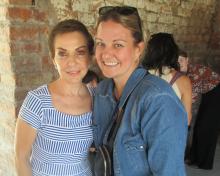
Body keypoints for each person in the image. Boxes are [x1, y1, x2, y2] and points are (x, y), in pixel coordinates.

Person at [93, 6, 188, 176]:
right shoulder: (101, 91)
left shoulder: (158, 99)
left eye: (118, 45)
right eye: (100, 43)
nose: (106, 54)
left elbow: (169, 171)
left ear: (139, 49)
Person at [15, 19, 95, 176]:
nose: (71, 62)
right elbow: (21, 157)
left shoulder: (96, 98)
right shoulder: (38, 101)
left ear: (89, 57)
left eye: (80, 52)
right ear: (53, 60)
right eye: (62, 54)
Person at [178, 49, 220, 168]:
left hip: (217, 93)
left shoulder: (193, 73)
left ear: (187, 60)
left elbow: (191, 99)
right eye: (177, 61)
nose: (179, 63)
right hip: (208, 94)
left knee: (206, 128)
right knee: (199, 127)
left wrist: (185, 120)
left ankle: (205, 163)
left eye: (181, 60)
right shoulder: (181, 74)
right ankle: (194, 158)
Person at [143, 32, 192, 126]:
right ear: (174, 53)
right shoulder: (183, 81)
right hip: (166, 134)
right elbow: (186, 120)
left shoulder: (139, 74)